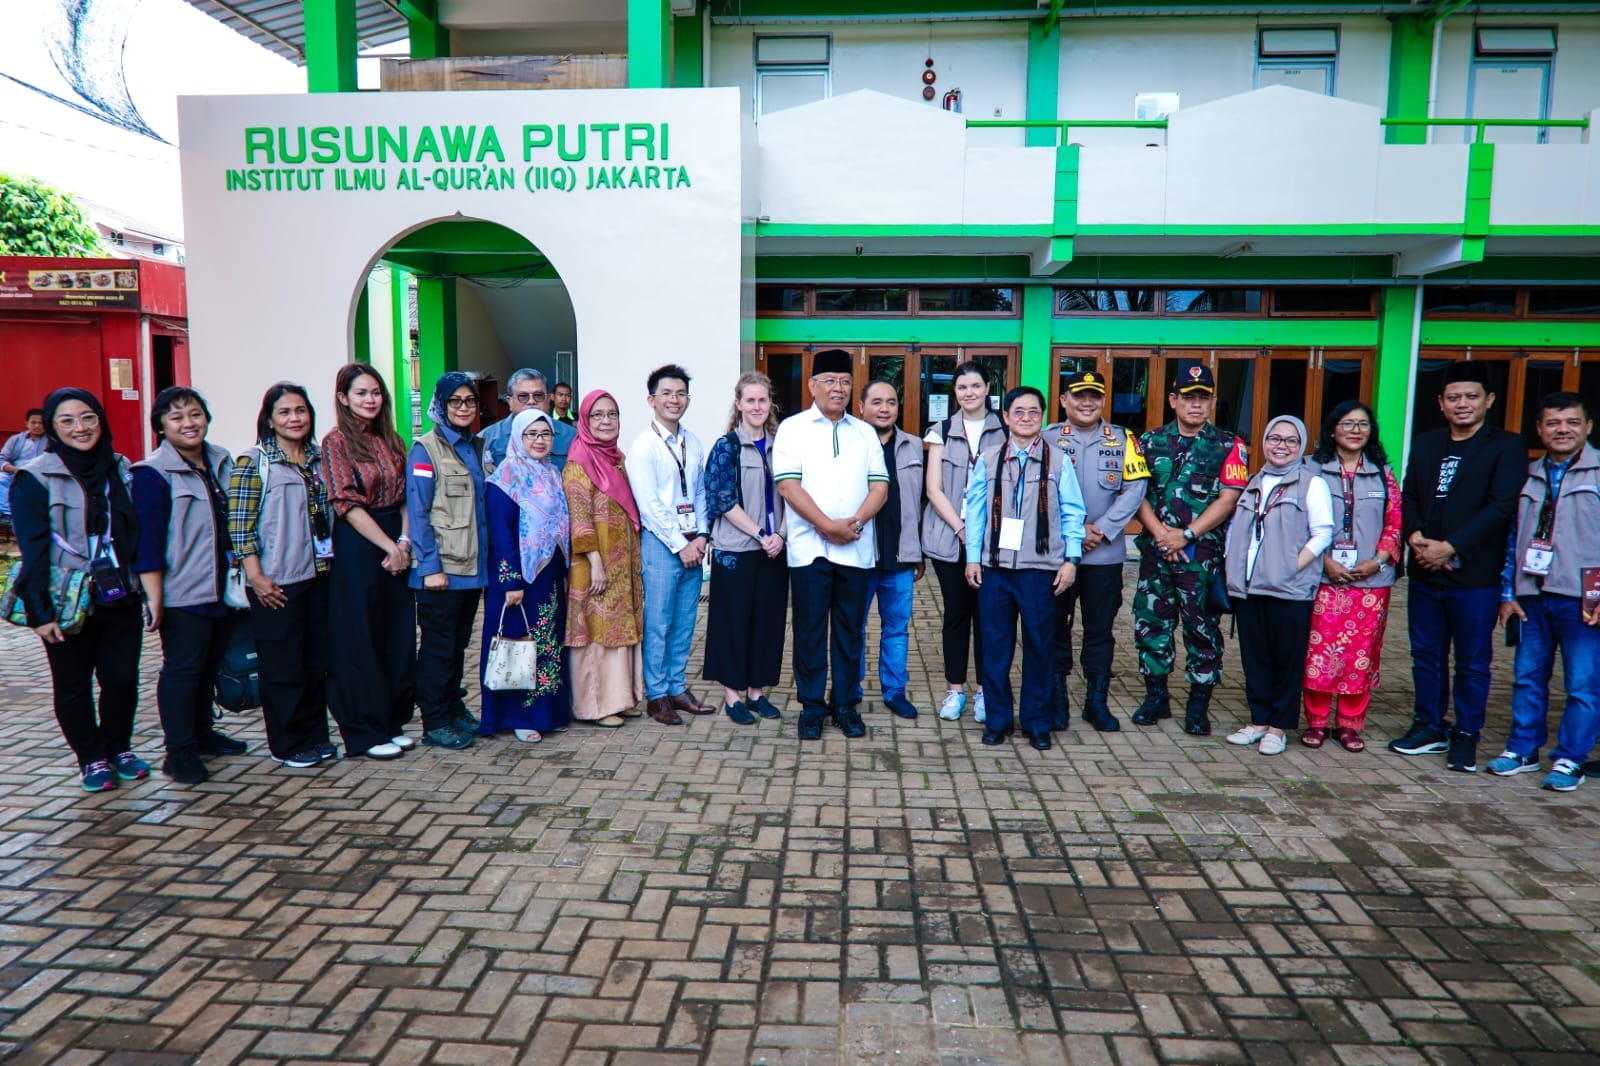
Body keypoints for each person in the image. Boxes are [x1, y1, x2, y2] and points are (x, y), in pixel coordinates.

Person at [11, 389, 148, 791]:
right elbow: (33, 549)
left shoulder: (119, 467)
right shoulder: (35, 478)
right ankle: (91, 756)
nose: (80, 428)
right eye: (67, 420)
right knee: (73, 685)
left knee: (122, 679)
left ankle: (119, 746)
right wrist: (40, 612)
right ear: (53, 428)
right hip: (66, 599)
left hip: (118, 592)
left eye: (88, 417)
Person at [1393, 361, 1526, 772]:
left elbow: (1500, 507)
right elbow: (1410, 495)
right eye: (1453, 397)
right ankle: (1429, 725)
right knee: (1426, 654)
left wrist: (1451, 547)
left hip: (1474, 577)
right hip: (1425, 572)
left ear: (1489, 400)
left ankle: (1467, 733)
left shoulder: (1506, 446)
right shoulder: (1426, 443)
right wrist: (1414, 536)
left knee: (1471, 660)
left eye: (1471, 396)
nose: (1462, 404)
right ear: (1441, 403)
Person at [130, 386, 247, 784]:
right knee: (182, 671)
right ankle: (178, 752)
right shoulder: (152, 473)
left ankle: (202, 734)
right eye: (176, 417)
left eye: (195, 414)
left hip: (222, 588)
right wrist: (155, 599)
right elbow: (147, 543)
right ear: (161, 426)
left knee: (210, 665)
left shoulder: (221, 460)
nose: (188, 423)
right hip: (183, 591)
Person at [773, 349, 889, 741]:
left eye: (844, 381)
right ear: (812, 385)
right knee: (809, 631)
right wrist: (826, 527)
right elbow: (788, 486)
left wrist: (852, 524)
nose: (837, 388)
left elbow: (880, 487)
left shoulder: (864, 432)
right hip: (810, 550)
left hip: (856, 548)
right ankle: (811, 706)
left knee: (849, 631)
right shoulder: (793, 428)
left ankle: (844, 705)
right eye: (829, 381)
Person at [962, 386, 1087, 751]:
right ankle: (997, 720)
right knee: (995, 648)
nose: (1026, 417)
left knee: (1040, 648)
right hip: (996, 570)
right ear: (1005, 417)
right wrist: (972, 557)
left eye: (1034, 411)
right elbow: (976, 512)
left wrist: (1071, 560)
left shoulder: (1058, 461)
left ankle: (1036, 722)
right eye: (1018, 411)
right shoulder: (989, 459)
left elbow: (1073, 512)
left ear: (1043, 417)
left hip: (1041, 570)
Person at [1489, 393, 1600, 792]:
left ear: (1588, 427)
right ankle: (1523, 749)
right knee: (1527, 677)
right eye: (1553, 423)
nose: (1562, 430)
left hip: (1584, 598)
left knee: (1583, 684)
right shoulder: (1528, 475)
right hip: (1531, 595)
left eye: (1572, 422)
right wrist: (1507, 592)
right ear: (1539, 429)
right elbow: (1510, 539)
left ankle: (1571, 758)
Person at [1131, 365, 1248, 736]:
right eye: (1188, 397)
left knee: (1202, 628)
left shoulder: (1230, 445)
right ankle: (1156, 697)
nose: (1195, 405)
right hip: (1156, 553)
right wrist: (1161, 535)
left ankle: (1198, 706)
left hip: (1201, 557)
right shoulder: (1148, 442)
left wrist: (1186, 535)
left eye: (1203, 398)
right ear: (1173, 400)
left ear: (1213, 401)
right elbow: (1136, 493)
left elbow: (1229, 499)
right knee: (1151, 624)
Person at [226, 383, 337, 769]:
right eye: (285, 412)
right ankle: (287, 743)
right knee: (283, 665)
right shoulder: (253, 462)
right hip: (276, 582)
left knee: (314, 661)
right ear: (270, 420)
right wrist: (256, 578)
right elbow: (240, 527)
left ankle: (315, 736)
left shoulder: (319, 459)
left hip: (318, 575)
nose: (295, 418)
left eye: (300, 411)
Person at [1043, 370, 1148, 733]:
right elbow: (1038, 492)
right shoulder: (1047, 438)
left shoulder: (1124, 439)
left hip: (1104, 554)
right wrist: (1073, 533)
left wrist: (1100, 529)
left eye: (1094, 396)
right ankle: (1057, 699)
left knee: (1100, 629)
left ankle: (1096, 702)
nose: (1087, 403)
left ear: (1103, 401)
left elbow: (1135, 488)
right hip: (1058, 555)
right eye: (1079, 395)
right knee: (1055, 626)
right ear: (1064, 401)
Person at [1222, 415, 1333, 756]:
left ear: (1301, 446)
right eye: (1274, 439)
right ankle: (1258, 721)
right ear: (1265, 442)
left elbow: (1323, 533)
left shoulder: (1312, 483)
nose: (1281, 446)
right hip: (1250, 587)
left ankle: (1278, 727)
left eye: (1290, 440)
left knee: (1286, 659)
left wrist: (1289, 567)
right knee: (1255, 658)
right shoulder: (1255, 481)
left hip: (1289, 589)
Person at [322, 365, 415, 761]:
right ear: (343, 398)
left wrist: (404, 542)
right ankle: (364, 730)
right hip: (360, 541)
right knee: (360, 636)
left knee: (397, 634)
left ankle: (393, 721)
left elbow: (407, 495)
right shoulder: (336, 441)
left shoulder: (391, 438)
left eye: (376, 392)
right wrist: (388, 547)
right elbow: (345, 503)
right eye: (361, 393)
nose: (370, 400)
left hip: (397, 534)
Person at [1301, 402, 1402, 753]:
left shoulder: (1383, 473)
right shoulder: (1312, 470)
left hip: (1370, 582)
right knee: (1318, 652)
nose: (1355, 430)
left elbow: (1395, 522)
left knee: (1361, 654)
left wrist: (1379, 560)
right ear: (1332, 430)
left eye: (1362, 424)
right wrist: (1324, 562)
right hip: (1324, 579)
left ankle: (1349, 724)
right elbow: (1298, 522)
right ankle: (1316, 721)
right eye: (1347, 424)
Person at [625, 364, 715, 723]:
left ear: (688, 399)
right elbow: (650, 506)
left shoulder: (693, 442)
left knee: (685, 620)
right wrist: (682, 544)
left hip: (693, 542)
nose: (674, 399)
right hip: (662, 545)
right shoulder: (644, 446)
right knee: (659, 622)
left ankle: (677, 687)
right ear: (652, 400)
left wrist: (703, 535)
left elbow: (701, 493)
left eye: (680, 394)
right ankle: (657, 695)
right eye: (666, 393)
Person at [407, 373, 490, 750]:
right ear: (440, 405)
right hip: (442, 571)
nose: (463, 407)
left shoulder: (476, 445)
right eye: (455, 401)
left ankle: (453, 708)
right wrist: (430, 567)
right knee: (438, 649)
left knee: (457, 646)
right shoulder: (426, 449)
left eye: (469, 401)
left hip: (471, 569)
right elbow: (418, 512)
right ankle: (435, 721)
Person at [922, 362, 1006, 725]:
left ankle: (986, 691)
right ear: (954, 393)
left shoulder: (1005, 428)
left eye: (975, 386)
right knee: (956, 615)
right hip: (949, 538)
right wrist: (960, 529)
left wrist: (979, 533)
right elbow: (933, 489)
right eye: (961, 387)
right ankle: (955, 690)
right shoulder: (940, 431)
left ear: (987, 388)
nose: (969, 393)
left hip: (992, 542)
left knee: (988, 616)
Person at [482, 408, 572, 742]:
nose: (539, 440)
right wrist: (511, 582)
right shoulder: (505, 478)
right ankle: (518, 717)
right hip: (517, 578)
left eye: (545, 434)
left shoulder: (552, 473)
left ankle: (547, 713)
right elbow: (502, 536)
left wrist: (565, 570)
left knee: (546, 642)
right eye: (531, 434)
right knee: (517, 644)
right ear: (518, 438)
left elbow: (560, 526)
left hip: (548, 575)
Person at [702, 372, 788, 724]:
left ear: (770, 404)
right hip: (736, 550)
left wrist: (780, 535)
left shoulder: (782, 445)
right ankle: (733, 695)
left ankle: (756, 692)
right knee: (733, 622)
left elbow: (794, 494)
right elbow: (723, 500)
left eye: (762, 400)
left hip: (774, 549)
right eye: (750, 400)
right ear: (738, 404)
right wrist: (761, 534)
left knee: (767, 622)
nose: (756, 406)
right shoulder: (727, 447)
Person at [564, 390, 647, 726]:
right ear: (585, 420)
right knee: (596, 632)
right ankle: (595, 706)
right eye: (597, 415)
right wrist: (595, 562)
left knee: (620, 628)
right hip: (593, 564)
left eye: (612, 414)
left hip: (621, 561)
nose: (605, 421)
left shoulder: (617, 458)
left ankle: (621, 698)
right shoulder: (579, 460)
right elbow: (579, 516)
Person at [854, 380, 925, 720]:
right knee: (853, 628)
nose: (884, 408)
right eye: (877, 402)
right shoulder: (851, 444)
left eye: (891, 402)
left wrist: (919, 550)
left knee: (896, 629)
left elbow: (923, 501)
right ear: (861, 407)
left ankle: (894, 691)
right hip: (858, 556)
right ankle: (850, 689)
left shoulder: (915, 446)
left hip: (900, 557)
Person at [483, 369, 575, 471]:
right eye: (523, 396)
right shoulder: (486, 439)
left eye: (538, 395)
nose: (531, 401)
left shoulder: (572, 437)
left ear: (548, 399)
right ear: (509, 402)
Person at [0, 409, 48, 517]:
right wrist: (15, 470)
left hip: (38, 474)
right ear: (27, 423)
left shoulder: (51, 441)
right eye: (33, 422)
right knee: (1, 479)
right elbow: (2, 459)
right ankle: (7, 514)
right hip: (14, 471)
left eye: (40, 423)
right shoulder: (15, 439)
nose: (37, 426)